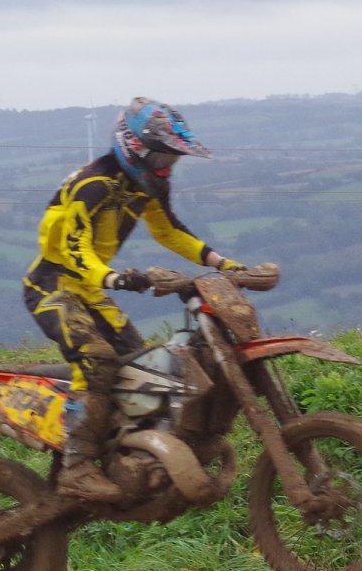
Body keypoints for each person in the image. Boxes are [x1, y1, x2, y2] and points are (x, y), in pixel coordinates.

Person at [22, 97, 246, 502]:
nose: (167, 165)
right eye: (162, 155)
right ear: (135, 145)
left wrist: (224, 264)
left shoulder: (144, 186)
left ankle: (125, 455)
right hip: (52, 286)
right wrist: (111, 276)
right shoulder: (93, 184)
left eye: (173, 158)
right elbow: (74, 247)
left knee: (142, 369)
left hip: (89, 290)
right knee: (97, 358)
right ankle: (76, 466)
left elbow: (169, 231)